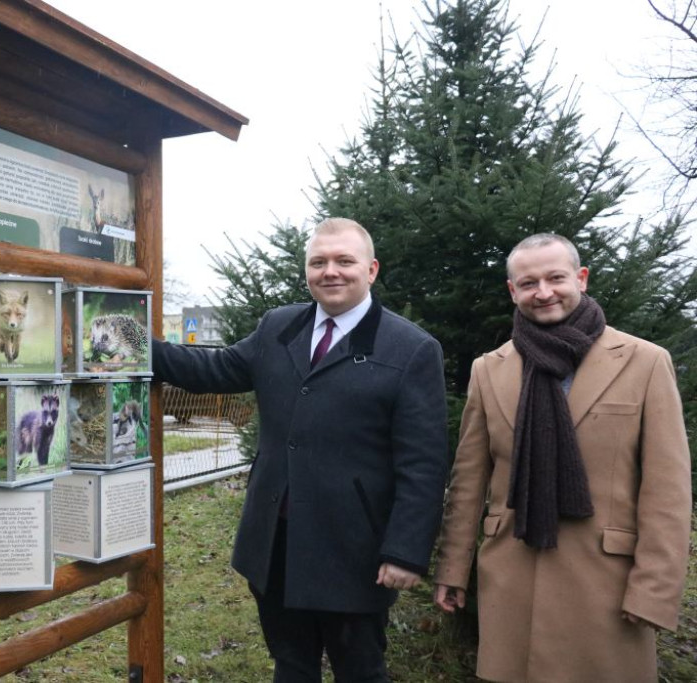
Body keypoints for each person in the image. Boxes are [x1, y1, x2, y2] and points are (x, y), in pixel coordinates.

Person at [153, 217, 449, 682]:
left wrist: (407, 552)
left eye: (344, 261)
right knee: (291, 664)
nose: (330, 271)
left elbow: (424, 463)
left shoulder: (411, 349)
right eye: (319, 262)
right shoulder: (279, 326)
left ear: (371, 270)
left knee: (361, 670)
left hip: (354, 550)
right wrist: (133, 346)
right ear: (307, 270)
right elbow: (215, 368)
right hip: (275, 541)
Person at [433, 233, 692, 683]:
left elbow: (667, 490)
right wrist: (453, 568)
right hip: (512, 577)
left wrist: (654, 591)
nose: (544, 292)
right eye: (528, 283)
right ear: (513, 291)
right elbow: (470, 479)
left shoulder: (644, 362)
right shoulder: (488, 369)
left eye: (556, 278)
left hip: (606, 585)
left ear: (582, 278)